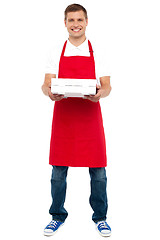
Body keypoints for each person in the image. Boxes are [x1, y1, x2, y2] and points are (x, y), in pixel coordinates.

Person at [41, 3, 112, 237]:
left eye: (79, 20)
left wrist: (100, 94)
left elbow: (108, 85)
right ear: (65, 23)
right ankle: (57, 215)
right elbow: (46, 83)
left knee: (98, 172)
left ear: (86, 22)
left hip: (90, 117)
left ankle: (100, 217)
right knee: (58, 172)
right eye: (71, 20)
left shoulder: (98, 50)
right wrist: (50, 92)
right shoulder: (55, 51)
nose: (75, 24)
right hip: (64, 119)